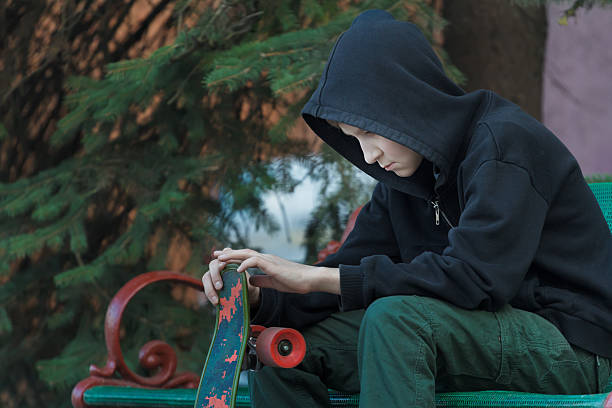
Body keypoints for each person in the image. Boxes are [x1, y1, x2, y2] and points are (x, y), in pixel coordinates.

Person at [202, 9, 612, 407]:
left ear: (406, 100)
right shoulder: (403, 181)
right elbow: (349, 271)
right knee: (283, 347)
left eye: (368, 131)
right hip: (476, 332)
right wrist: (264, 298)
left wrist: (318, 278)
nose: (369, 155)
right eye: (352, 138)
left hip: (575, 344)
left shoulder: (504, 146)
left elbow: (477, 280)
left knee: (395, 319)